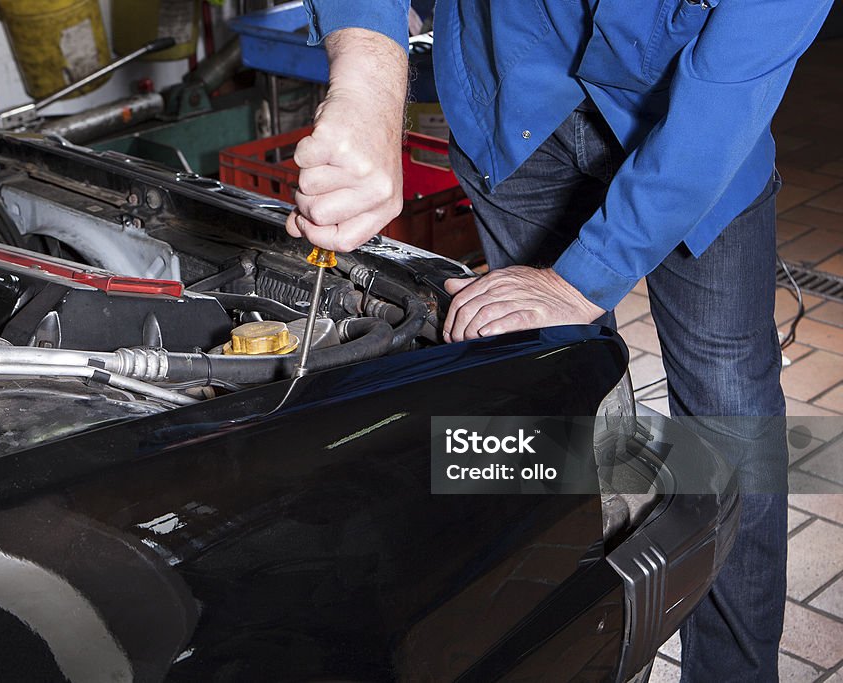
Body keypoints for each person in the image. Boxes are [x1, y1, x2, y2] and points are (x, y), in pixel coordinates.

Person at [292, 1, 833, 681]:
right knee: (561, 405)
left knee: (732, 418)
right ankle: (580, 654)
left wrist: (583, 278)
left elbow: (729, 89)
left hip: (702, 128)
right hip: (512, 100)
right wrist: (367, 77)